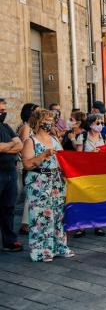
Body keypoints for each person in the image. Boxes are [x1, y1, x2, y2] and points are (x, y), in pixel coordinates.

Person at [21, 109, 74, 262]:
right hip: (39, 181)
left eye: (51, 120)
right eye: (46, 120)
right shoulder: (30, 141)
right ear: (38, 122)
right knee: (41, 216)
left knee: (58, 215)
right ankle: (41, 250)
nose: (49, 123)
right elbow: (27, 164)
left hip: (56, 181)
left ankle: (59, 247)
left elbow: (65, 159)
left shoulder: (55, 139)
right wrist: (44, 154)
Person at [71, 114, 106, 238]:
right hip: (85, 173)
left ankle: (98, 225)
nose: (100, 125)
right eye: (97, 123)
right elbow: (78, 157)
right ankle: (80, 226)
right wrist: (91, 155)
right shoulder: (82, 137)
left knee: (98, 199)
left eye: (101, 123)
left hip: (100, 173)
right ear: (90, 124)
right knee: (83, 199)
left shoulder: (105, 138)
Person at [0, 99, 24, 252]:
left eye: (3, 110)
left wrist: (4, 147)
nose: (3, 113)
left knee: (9, 208)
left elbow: (20, 145)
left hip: (10, 172)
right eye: (0, 110)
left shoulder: (6, 126)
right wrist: (11, 145)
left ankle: (10, 241)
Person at [16, 103, 39, 235]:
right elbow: (25, 144)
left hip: (31, 162)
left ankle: (27, 222)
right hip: (25, 163)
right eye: (36, 112)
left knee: (30, 192)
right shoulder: (25, 126)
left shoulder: (31, 126)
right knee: (29, 192)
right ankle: (25, 224)